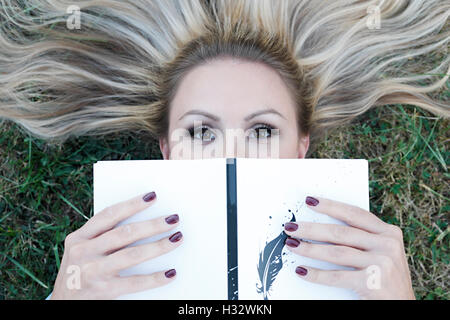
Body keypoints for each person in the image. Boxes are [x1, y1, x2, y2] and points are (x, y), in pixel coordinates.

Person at [1, 0, 448, 299]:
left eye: (261, 131)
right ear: (166, 149)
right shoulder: (105, 273)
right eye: (200, 132)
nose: (231, 155)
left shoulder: (363, 275)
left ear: (301, 147)